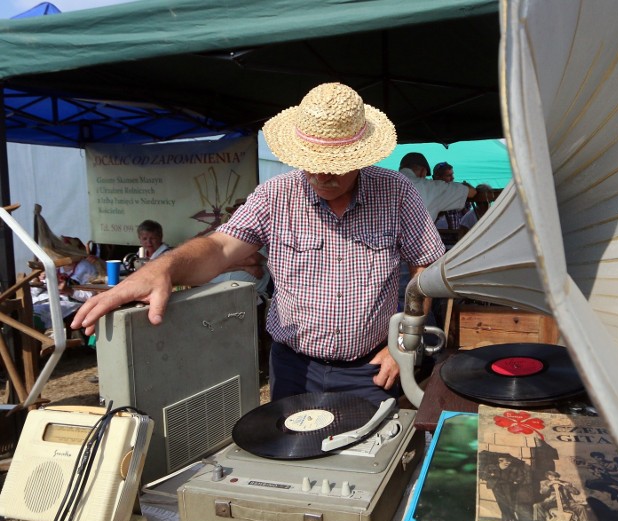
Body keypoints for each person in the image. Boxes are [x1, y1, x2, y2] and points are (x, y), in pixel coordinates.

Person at [72, 82, 445, 407]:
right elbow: (219, 249)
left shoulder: (397, 193)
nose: (321, 174)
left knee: (365, 472)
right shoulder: (275, 196)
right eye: (312, 161)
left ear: (360, 157)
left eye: (335, 164)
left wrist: (403, 345)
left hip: (372, 366)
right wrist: (163, 266)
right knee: (293, 464)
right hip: (294, 366)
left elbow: (425, 267)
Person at [399, 153, 476, 222]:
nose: (452, 178)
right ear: (423, 171)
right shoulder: (432, 188)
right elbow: (472, 192)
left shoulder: (388, 181)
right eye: (448, 175)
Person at [480, 455, 533, 521]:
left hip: (508, 486)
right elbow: (483, 476)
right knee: (501, 501)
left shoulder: (513, 468)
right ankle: (509, 518)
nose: (508, 463)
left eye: (510, 461)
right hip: (496, 486)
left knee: (509, 501)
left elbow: (521, 476)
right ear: (500, 461)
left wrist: (516, 481)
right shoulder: (491, 467)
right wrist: (491, 475)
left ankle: (508, 517)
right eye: (506, 461)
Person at [432, 161, 468, 230]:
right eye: (449, 175)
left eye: (452, 175)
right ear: (437, 177)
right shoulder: (430, 193)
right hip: (438, 237)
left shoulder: (458, 191)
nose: (453, 178)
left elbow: (467, 216)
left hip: (458, 237)